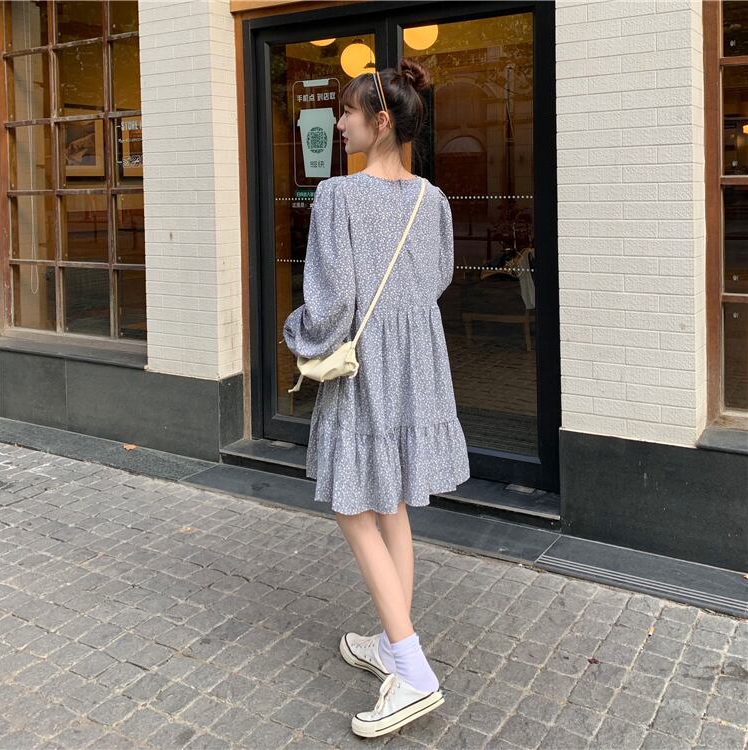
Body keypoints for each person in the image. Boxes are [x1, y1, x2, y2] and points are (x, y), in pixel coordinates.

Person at [282, 58, 470, 738]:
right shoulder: (433, 199)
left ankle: (412, 668)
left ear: (380, 120)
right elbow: (440, 278)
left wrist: (297, 334)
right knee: (391, 504)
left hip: (365, 365)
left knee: (352, 504)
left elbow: (331, 304)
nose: (339, 123)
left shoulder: (337, 196)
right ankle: (392, 644)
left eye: (348, 112)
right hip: (417, 360)